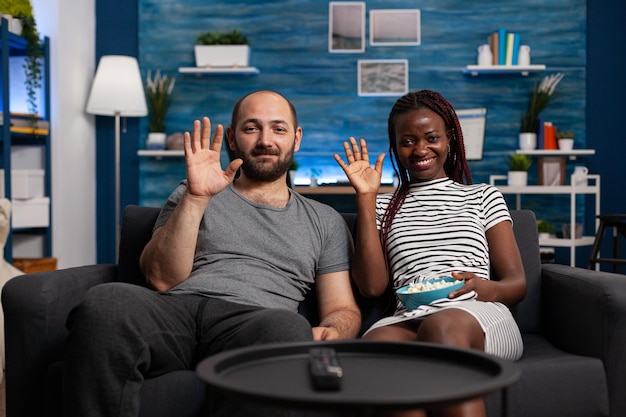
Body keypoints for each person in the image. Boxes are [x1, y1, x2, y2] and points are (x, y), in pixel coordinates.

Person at [62, 90, 361, 417]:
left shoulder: (324, 220)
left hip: (254, 321)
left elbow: (342, 308)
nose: (265, 140)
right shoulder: (193, 189)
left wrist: (333, 331)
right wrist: (195, 197)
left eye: (278, 128)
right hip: (175, 311)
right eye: (251, 128)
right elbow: (161, 279)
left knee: (287, 328)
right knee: (107, 300)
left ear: (296, 138)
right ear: (232, 138)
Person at [334, 89, 526, 417]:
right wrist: (366, 198)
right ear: (395, 146)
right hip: (409, 318)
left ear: (449, 138)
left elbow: (517, 283)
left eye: (431, 137)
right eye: (407, 141)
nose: (420, 149)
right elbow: (372, 287)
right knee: (375, 351)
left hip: (476, 314)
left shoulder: (483, 197)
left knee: (441, 327)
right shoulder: (383, 206)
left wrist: (483, 287)